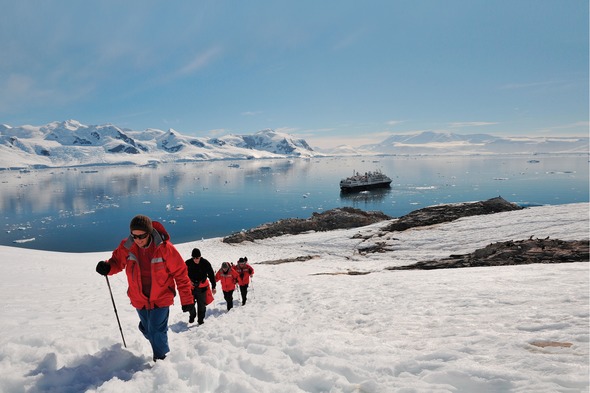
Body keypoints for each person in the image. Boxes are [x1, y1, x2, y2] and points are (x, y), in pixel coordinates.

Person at [95, 215, 195, 362]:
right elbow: (116, 262)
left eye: (141, 236)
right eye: (134, 236)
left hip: (161, 297)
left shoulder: (165, 248)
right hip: (139, 298)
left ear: (149, 233)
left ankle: (161, 358)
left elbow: (180, 273)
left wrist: (187, 299)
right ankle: (152, 336)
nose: (138, 239)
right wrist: (107, 267)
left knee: (155, 329)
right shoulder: (127, 246)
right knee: (149, 329)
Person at [185, 248, 216, 325]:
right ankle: (192, 315)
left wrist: (213, 286)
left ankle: (200, 321)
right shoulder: (187, 263)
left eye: (197, 258)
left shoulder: (205, 263)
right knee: (190, 304)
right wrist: (189, 282)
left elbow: (211, 275)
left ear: (200, 257)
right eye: (193, 258)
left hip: (202, 288)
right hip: (191, 287)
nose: (195, 259)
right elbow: (182, 274)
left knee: (201, 305)